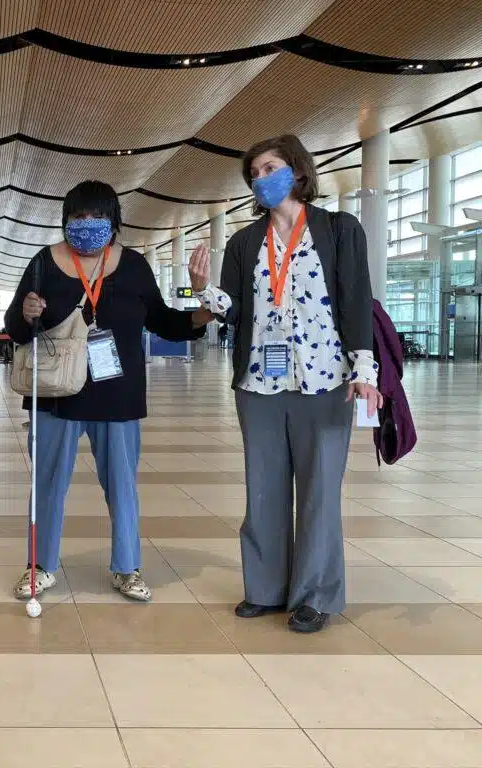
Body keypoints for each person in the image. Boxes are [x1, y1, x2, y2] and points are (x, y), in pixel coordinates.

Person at [188, 134, 383, 633]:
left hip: (327, 380)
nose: (260, 179)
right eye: (253, 174)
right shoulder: (244, 241)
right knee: (264, 489)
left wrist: (365, 370)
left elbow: (357, 298)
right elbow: (230, 309)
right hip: (260, 382)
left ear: (297, 171)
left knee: (319, 491)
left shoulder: (340, 229)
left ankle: (314, 594)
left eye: (268, 168)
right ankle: (266, 589)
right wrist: (201, 288)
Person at [5, 180, 212, 602]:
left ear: (113, 221)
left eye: (97, 217)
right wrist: (26, 314)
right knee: (47, 483)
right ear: (66, 221)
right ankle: (41, 564)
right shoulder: (43, 263)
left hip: (117, 395)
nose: (87, 226)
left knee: (121, 484)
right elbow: (14, 327)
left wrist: (203, 309)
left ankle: (126, 567)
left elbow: (163, 321)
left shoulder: (135, 266)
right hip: (57, 392)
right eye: (77, 218)